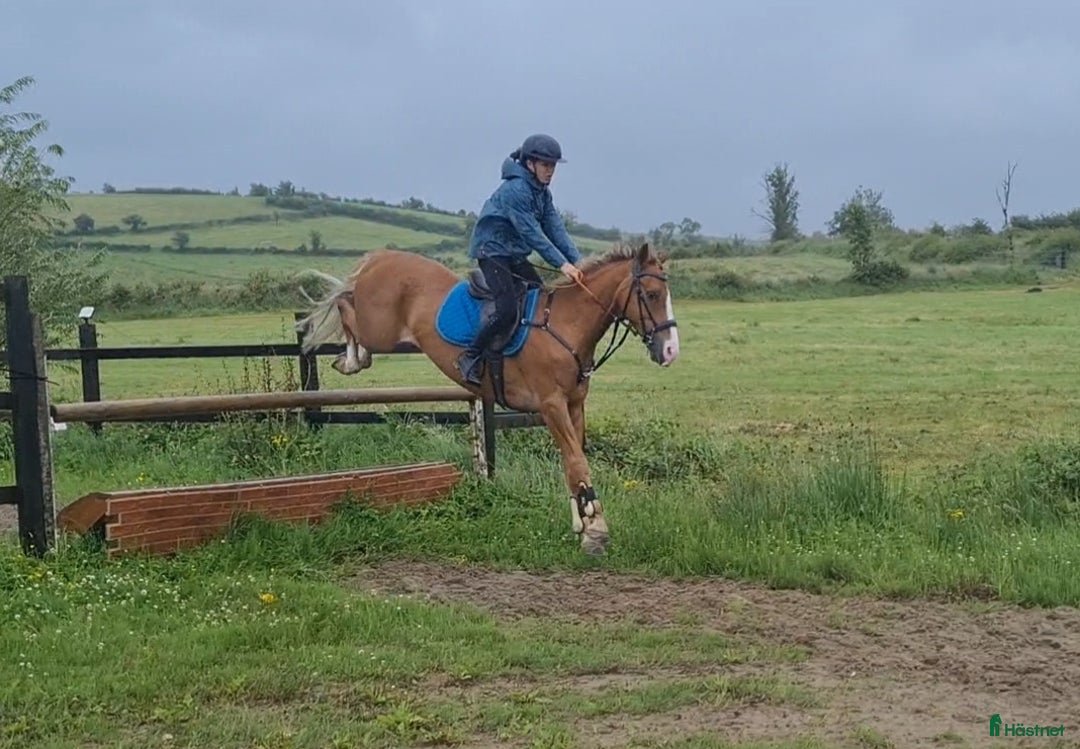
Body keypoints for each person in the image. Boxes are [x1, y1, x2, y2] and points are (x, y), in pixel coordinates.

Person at [456, 133, 584, 386]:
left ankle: (528, 357)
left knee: (540, 298)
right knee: (506, 310)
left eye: (553, 166)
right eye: (546, 165)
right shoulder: (516, 190)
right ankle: (470, 356)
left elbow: (555, 229)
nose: (550, 171)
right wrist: (562, 265)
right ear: (530, 164)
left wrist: (579, 263)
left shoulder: (542, 193)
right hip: (491, 252)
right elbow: (532, 233)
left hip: (514, 254)